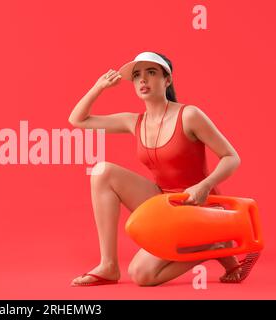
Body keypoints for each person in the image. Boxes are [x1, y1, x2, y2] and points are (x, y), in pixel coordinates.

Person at [68, 51, 257, 286]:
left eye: (151, 72)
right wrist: (99, 87)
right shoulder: (133, 121)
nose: (143, 80)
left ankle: (214, 241)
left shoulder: (189, 115)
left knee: (141, 275)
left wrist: (204, 185)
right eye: (137, 75)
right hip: (165, 203)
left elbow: (231, 157)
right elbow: (78, 120)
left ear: (167, 80)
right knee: (101, 172)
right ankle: (108, 265)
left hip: (197, 206)